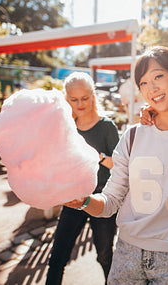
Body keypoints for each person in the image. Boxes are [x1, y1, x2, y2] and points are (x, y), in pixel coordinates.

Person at [65, 46, 168, 284]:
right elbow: (111, 201)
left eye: (158, 76)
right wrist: (84, 201)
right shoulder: (133, 135)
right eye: (144, 83)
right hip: (127, 253)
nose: (152, 88)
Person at [46, 72, 119, 285]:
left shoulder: (106, 126)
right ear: (66, 99)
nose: (80, 104)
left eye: (84, 98)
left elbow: (119, 165)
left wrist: (97, 156)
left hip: (103, 197)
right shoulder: (66, 127)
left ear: (93, 96)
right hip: (73, 198)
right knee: (57, 255)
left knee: (105, 256)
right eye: (74, 99)